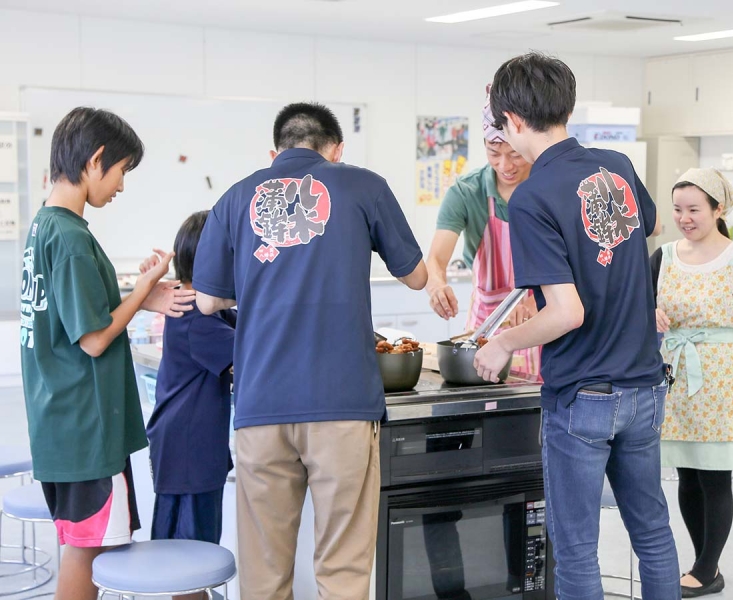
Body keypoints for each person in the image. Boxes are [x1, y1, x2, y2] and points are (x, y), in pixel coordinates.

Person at [192, 102, 427, 600]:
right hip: (343, 405)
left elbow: (208, 301)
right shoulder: (364, 185)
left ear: (274, 153)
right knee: (343, 570)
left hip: (261, 407)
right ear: (337, 150)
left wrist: (261, 285)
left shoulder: (234, 198)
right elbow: (417, 276)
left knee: (264, 571)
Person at [473, 52, 680, 600]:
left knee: (577, 549)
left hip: (583, 394)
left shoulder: (532, 196)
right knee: (653, 532)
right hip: (645, 385)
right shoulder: (615, 164)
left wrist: (502, 343)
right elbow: (653, 222)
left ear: (513, 121)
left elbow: (567, 312)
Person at [19, 107, 194, 600]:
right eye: (121, 170)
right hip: (85, 429)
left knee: (88, 546)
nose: (120, 186)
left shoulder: (46, 226)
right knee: (90, 551)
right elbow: (94, 339)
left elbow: (75, 311)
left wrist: (143, 297)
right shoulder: (72, 237)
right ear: (96, 160)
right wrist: (141, 291)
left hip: (62, 422)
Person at [651, 168, 733, 598]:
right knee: (687, 472)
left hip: (721, 382)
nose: (684, 218)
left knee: (715, 476)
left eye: (694, 210)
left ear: (718, 209)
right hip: (675, 378)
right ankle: (705, 564)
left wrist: (725, 355)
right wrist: (650, 314)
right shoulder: (663, 257)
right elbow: (638, 304)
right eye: (677, 209)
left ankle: (705, 570)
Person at [145, 211, 236, 600]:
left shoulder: (201, 306)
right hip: (189, 450)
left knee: (188, 548)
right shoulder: (196, 315)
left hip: (185, 445)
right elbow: (254, 353)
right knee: (190, 555)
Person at [426, 86, 540, 380]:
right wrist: (437, 286)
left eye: (514, 154)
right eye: (494, 153)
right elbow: (436, 260)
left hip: (541, 325)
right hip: (485, 332)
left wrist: (536, 301)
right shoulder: (467, 192)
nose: (505, 165)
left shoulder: (548, 188)